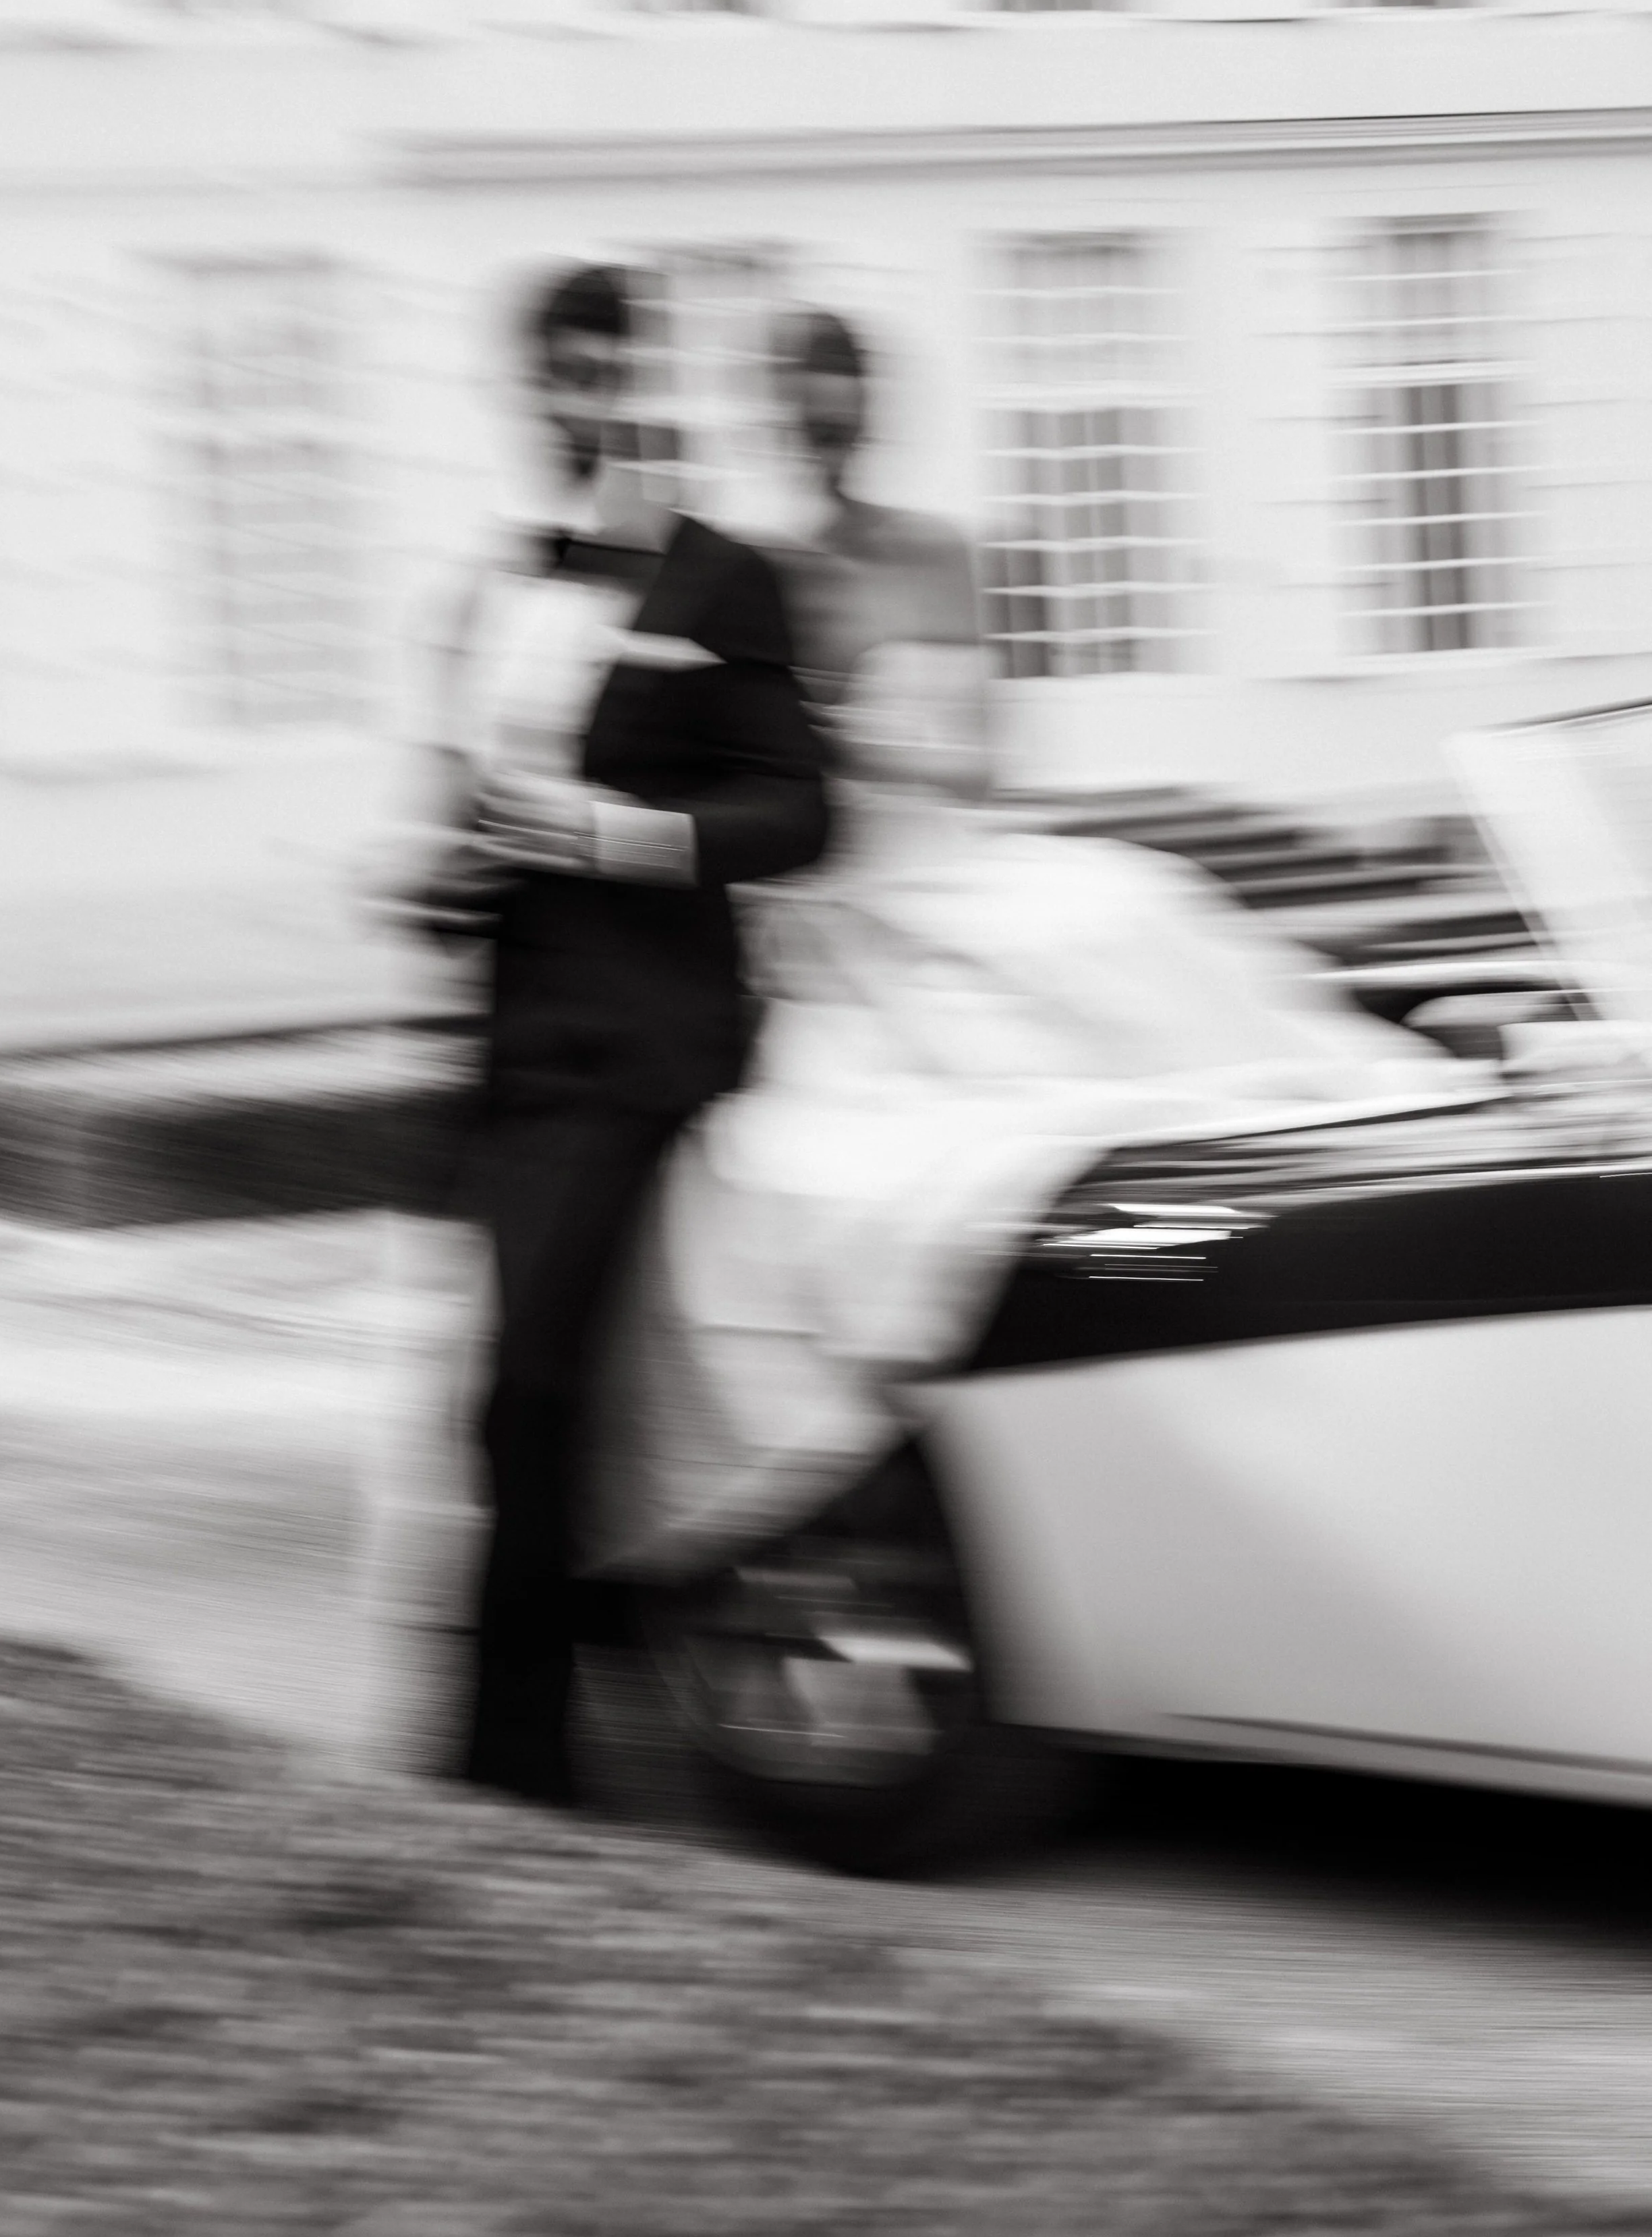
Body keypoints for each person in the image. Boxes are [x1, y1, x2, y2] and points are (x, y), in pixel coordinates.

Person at [580, 308, 1456, 1581]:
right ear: (773, 413)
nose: (825, 422)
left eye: (843, 397)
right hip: (848, 881)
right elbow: (752, 772)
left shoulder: (942, 551)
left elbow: (987, 743)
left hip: (958, 842)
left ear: (872, 407)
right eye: (803, 400)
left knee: (1119, 911)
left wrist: (934, 752)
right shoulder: (748, 568)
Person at [389, 264, 828, 1805]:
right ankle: (571, 1717)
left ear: (648, 382)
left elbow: (800, 812)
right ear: (528, 390)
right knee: (514, 1394)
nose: (582, 401)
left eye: (606, 372)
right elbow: (462, 821)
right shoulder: (483, 593)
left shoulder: (726, 579)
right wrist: (441, 881)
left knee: (527, 1386)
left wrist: (613, 835)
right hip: (514, 1049)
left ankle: (507, 1765)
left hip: (645, 1042)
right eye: (559, 376)